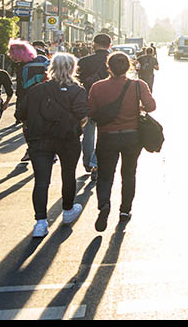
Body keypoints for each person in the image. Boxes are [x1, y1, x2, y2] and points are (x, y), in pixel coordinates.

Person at [15, 52, 89, 238]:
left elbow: (21, 114)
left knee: (41, 180)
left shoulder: (36, 90)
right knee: (68, 175)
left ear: (50, 68)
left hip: (39, 139)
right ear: (73, 68)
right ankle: (67, 210)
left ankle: (40, 222)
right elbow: (83, 116)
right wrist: (72, 127)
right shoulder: (78, 91)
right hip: (67, 139)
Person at [87, 52, 156, 232]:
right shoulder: (137, 85)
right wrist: (138, 106)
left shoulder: (97, 87)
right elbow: (151, 107)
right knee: (129, 174)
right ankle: (125, 210)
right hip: (131, 136)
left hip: (107, 136)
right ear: (129, 67)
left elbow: (92, 112)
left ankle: (104, 205)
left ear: (108, 67)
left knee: (105, 175)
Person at [77, 33, 112, 182]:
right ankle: (96, 163)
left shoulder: (84, 61)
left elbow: (78, 81)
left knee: (88, 133)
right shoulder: (115, 60)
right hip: (109, 103)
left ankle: (87, 162)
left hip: (88, 101)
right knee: (105, 135)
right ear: (109, 45)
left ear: (94, 44)